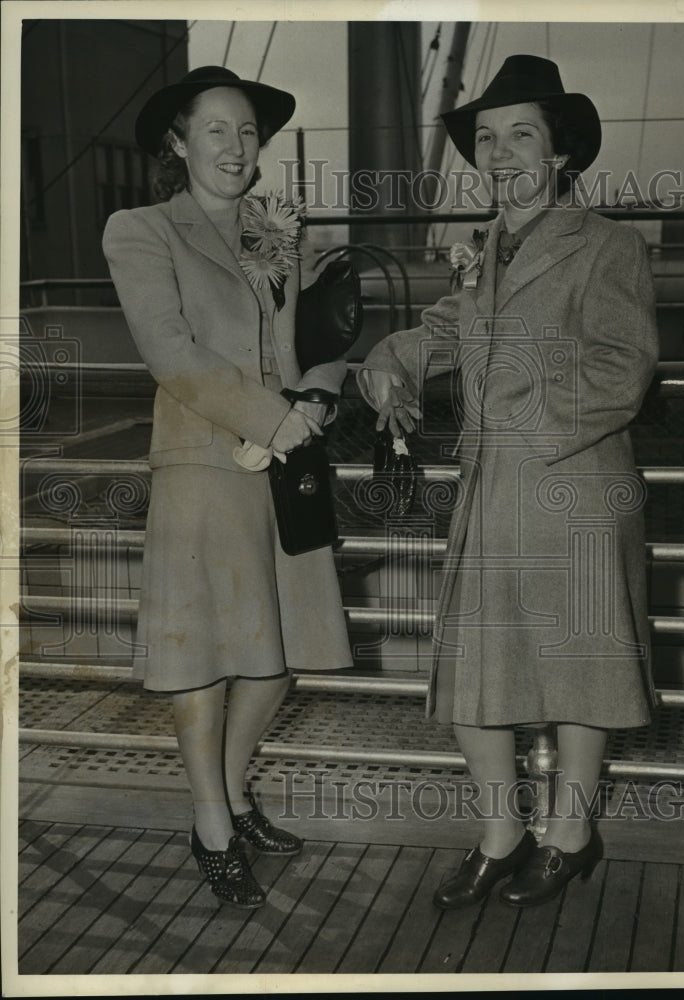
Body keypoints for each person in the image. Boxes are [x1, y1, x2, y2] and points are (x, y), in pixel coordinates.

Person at [359, 55, 658, 909]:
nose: (499, 154)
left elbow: (621, 369)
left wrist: (509, 400)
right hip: (494, 495)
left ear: (559, 153)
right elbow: (442, 332)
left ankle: (570, 833)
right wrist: (389, 360)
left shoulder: (610, 246)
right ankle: (498, 834)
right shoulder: (487, 251)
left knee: (580, 671)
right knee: (474, 674)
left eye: (520, 134)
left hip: (573, 490)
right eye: (486, 139)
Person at [102, 66, 352, 909]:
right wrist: (270, 421)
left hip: (284, 466)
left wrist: (315, 393)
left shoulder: (275, 232)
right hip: (205, 466)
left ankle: (237, 791)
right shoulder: (139, 230)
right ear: (177, 142)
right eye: (216, 130)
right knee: (206, 659)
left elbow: (323, 340)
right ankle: (211, 819)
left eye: (247, 133)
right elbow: (170, 353)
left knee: (277, 658)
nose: (236, 148)